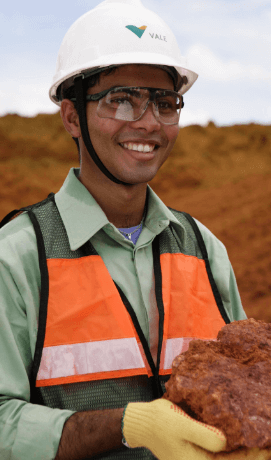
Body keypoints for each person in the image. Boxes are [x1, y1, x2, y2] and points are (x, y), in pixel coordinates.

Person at [0, 0, 254, 459]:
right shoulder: (16, 257)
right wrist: (124, 425)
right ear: (72, 116)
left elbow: (247, 384)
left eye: (164, 102)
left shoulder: (204, 250)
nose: (148, 122)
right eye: (120, 99)